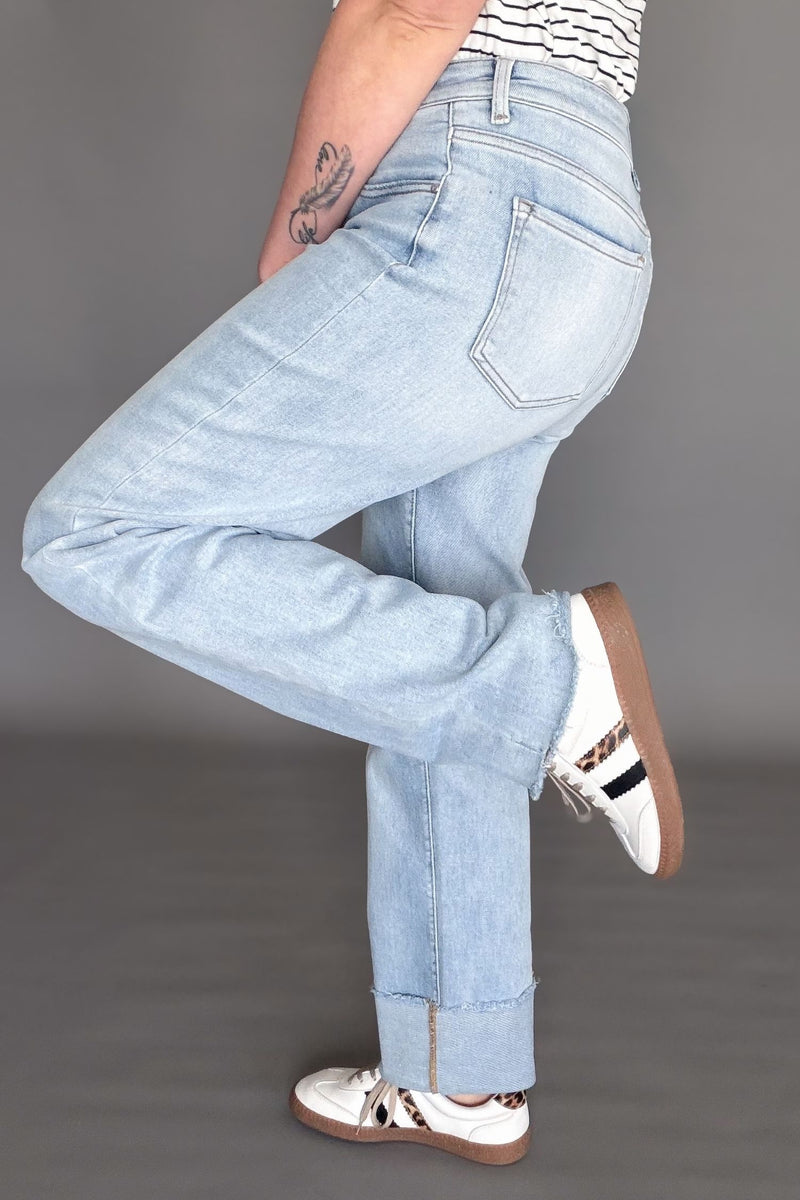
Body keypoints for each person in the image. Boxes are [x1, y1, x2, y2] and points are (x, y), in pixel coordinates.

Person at [20, 0, 683, 1167]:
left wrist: (302, 229)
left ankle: (546, 692)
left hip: (471, 189)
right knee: (441, 617)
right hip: (585, 220)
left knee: (94, 530)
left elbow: (411, 6)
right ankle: (456, 1076)